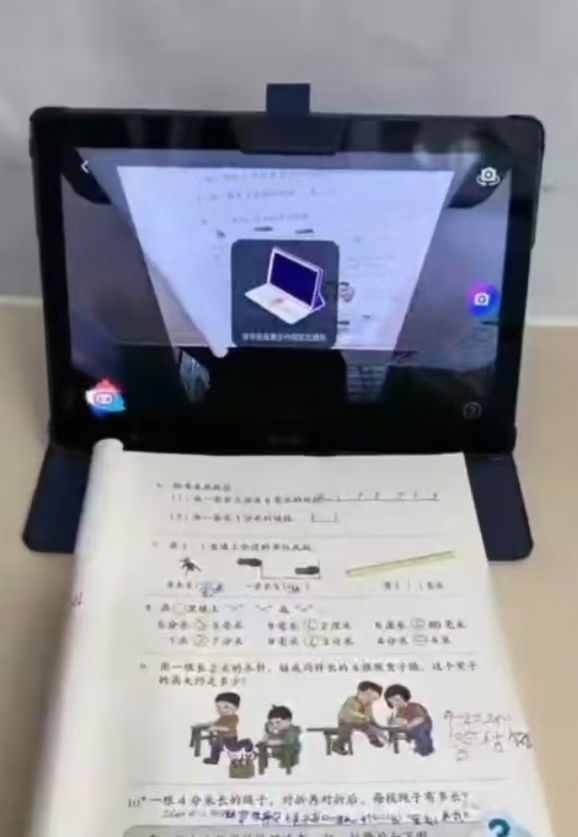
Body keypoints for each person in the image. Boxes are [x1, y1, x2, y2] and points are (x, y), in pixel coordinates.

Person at [332, 680, 384, 754]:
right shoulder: (351, 700)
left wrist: (375, 724)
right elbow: (349, 712)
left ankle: (374, 740)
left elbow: (370, 717)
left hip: (360, 723)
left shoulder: (368, 705)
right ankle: (338, 745)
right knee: (345, 733)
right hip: (346, 721)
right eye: (368, 696)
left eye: (373, 699)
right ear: (360, 692)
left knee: (370, 729)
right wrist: (362, 716)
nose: (369, 700)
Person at [384, 684, 434, 756]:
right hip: (410, 729)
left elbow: (421, 718)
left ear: (404, 697)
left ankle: (425, 752)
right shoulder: (399, 711)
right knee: (409, 736)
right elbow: (400, 720)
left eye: (397, 700)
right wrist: (394, 721)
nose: (395, 703)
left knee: (420, 735)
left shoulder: (414, 706)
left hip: (422, 726)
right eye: (392, 702)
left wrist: (408, 725)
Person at [203, 692, 252, 765]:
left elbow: (227, 728)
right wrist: (210, 725)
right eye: (218, 707)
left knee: (234, 748)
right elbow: (216, 723)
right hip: (221, 737)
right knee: (215, 745)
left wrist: (216, 728)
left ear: (236, 708)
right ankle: (214, 759)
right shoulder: (222, 718)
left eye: (226, 707)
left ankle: (246, 742)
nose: (221, 710)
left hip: (230, 738)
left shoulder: (233, 718)